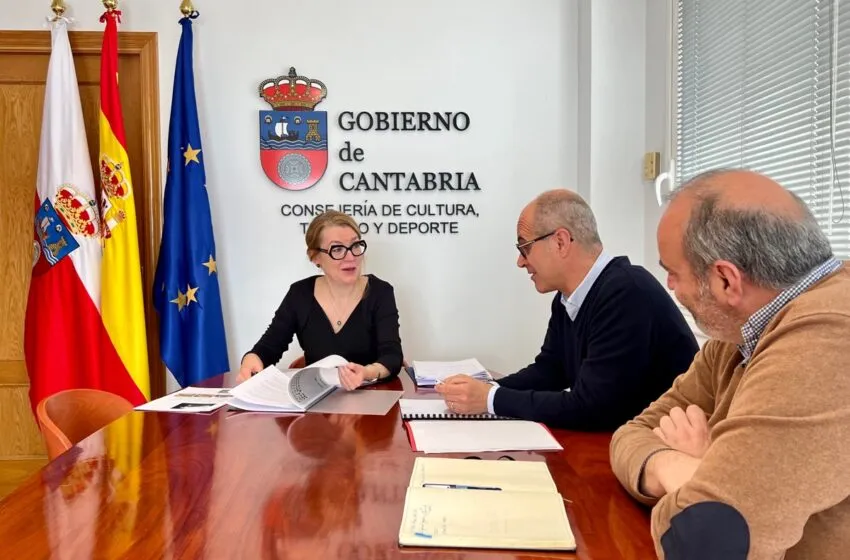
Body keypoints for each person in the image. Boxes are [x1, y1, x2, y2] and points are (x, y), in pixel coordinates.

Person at [610, 169, 850, 560]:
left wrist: (709, 473)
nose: (669, 287)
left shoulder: (830, 337)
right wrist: (683, 468)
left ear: (725, 280)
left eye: (673, 272)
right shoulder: (741, 332)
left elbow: (701, 543)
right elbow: (631, 433)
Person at [436, 189, 699, 430]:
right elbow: (551, 371)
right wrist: (484, 389)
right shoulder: (569, 297)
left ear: (561, 242)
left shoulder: (626, 292)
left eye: (524, 248)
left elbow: (593, 407)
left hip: (662, 450)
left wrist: (491, 399)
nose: (520, 262)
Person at [238, 210, 403, 389]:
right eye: (337, 249)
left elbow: (392, 357)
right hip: (317, 401)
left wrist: (366, 373)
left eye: (355, 246)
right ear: (315, 257)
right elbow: (270, 346)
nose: (351, 257)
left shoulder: (380, 292)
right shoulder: (300, 294)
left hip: (372, 397)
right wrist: (251, 359)